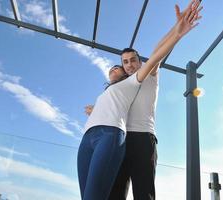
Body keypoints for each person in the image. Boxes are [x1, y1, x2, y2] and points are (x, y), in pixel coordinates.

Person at [84, 1, 203, 199]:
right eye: (125, 62)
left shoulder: (149, 73)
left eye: (133, 60)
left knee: (143, 193)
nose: (130, 64)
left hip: (142, 138)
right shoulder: (123, 86)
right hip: (119, 140)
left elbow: (158, 50)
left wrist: (178, 27)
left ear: (140, 61)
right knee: (114, 193)